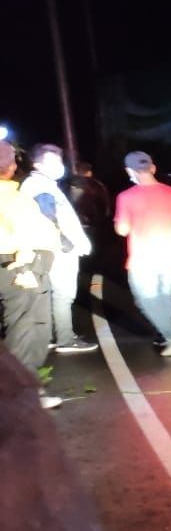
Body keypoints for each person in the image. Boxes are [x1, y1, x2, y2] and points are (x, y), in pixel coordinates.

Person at [0, 141, 63, 407]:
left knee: (28, 325)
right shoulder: (11, 196)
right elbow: (23, 232)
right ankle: (22, 396)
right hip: (18, 263)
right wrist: (26, 266)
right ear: (12, 166)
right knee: (26, 328)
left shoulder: (15, 193)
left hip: (20, 262)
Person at [114, 151, 171, 357]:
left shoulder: (125, 197)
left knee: (145, 300)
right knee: (163, 297)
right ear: (153, 168)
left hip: (143, 258)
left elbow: (122, 230)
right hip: (168, 255)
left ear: (129, 171)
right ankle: (168, 337)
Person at [20, 144, 97, 354]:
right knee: (64, 294)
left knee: (56, 294)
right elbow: (47, 215)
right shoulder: (39, 186)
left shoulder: (44, 184)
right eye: (52, 161)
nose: (59, 166)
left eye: (59, 161)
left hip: (55, 248)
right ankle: (65, 339)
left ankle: (57, 335)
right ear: (37, 164)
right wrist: (66, 241)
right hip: (58, 250)